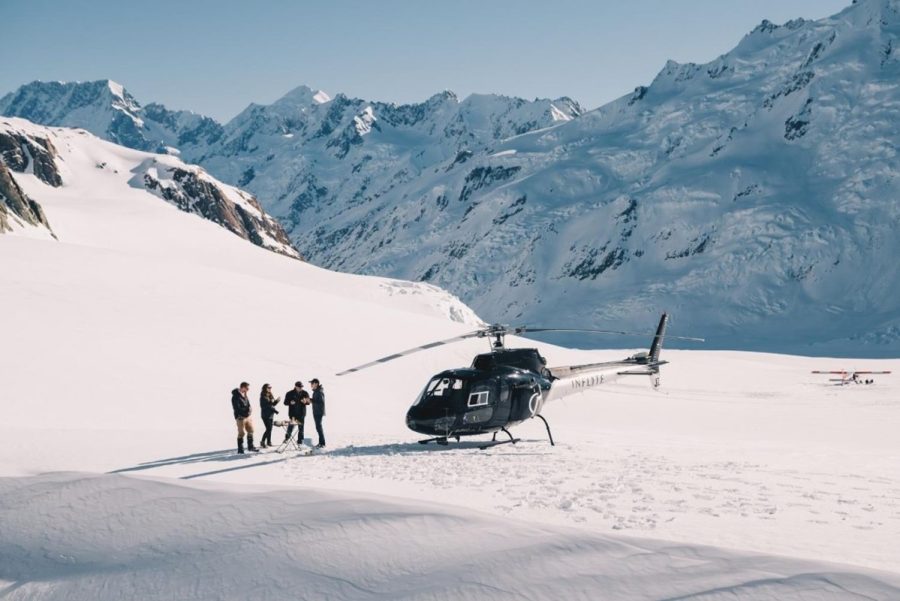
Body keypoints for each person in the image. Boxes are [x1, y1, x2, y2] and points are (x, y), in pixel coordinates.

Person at [231, 382, 259, 454]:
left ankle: (250, 446)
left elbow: (249, 405)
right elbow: (237, 408)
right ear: (242, 387)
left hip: (248, 417)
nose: (248, 389)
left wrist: (249, 411)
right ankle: (240, 449)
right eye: (247, 388)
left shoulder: (245, 395)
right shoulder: (235, 396)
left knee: (251, 430)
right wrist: (245, 412)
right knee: (241, 433)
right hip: (240, 417)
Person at [259, 384, 280, 448]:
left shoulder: (270, 395)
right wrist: (275, 411)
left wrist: (277, 401)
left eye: (270, 387)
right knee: (268, 429)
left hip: (270, 415)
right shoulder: (263, 396)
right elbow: (267, 406)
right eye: (268, 387)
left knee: (270, 429)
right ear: (265, 388)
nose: (270, 389)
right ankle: (262, 441)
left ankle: (269, 442)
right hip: (265, 415)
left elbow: (272, 404)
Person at [310, 378, 326, 448]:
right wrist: (310, 400)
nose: (311, 385)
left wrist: (312, 401)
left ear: (316, 384)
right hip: (316, 411)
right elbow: (315, 400)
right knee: (318, 427)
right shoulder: (316, 391)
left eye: (312, 383)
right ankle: (321, 443)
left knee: (319, 427)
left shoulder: (319, 392)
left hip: (318, 412)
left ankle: (322, 443)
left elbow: (321, 403)